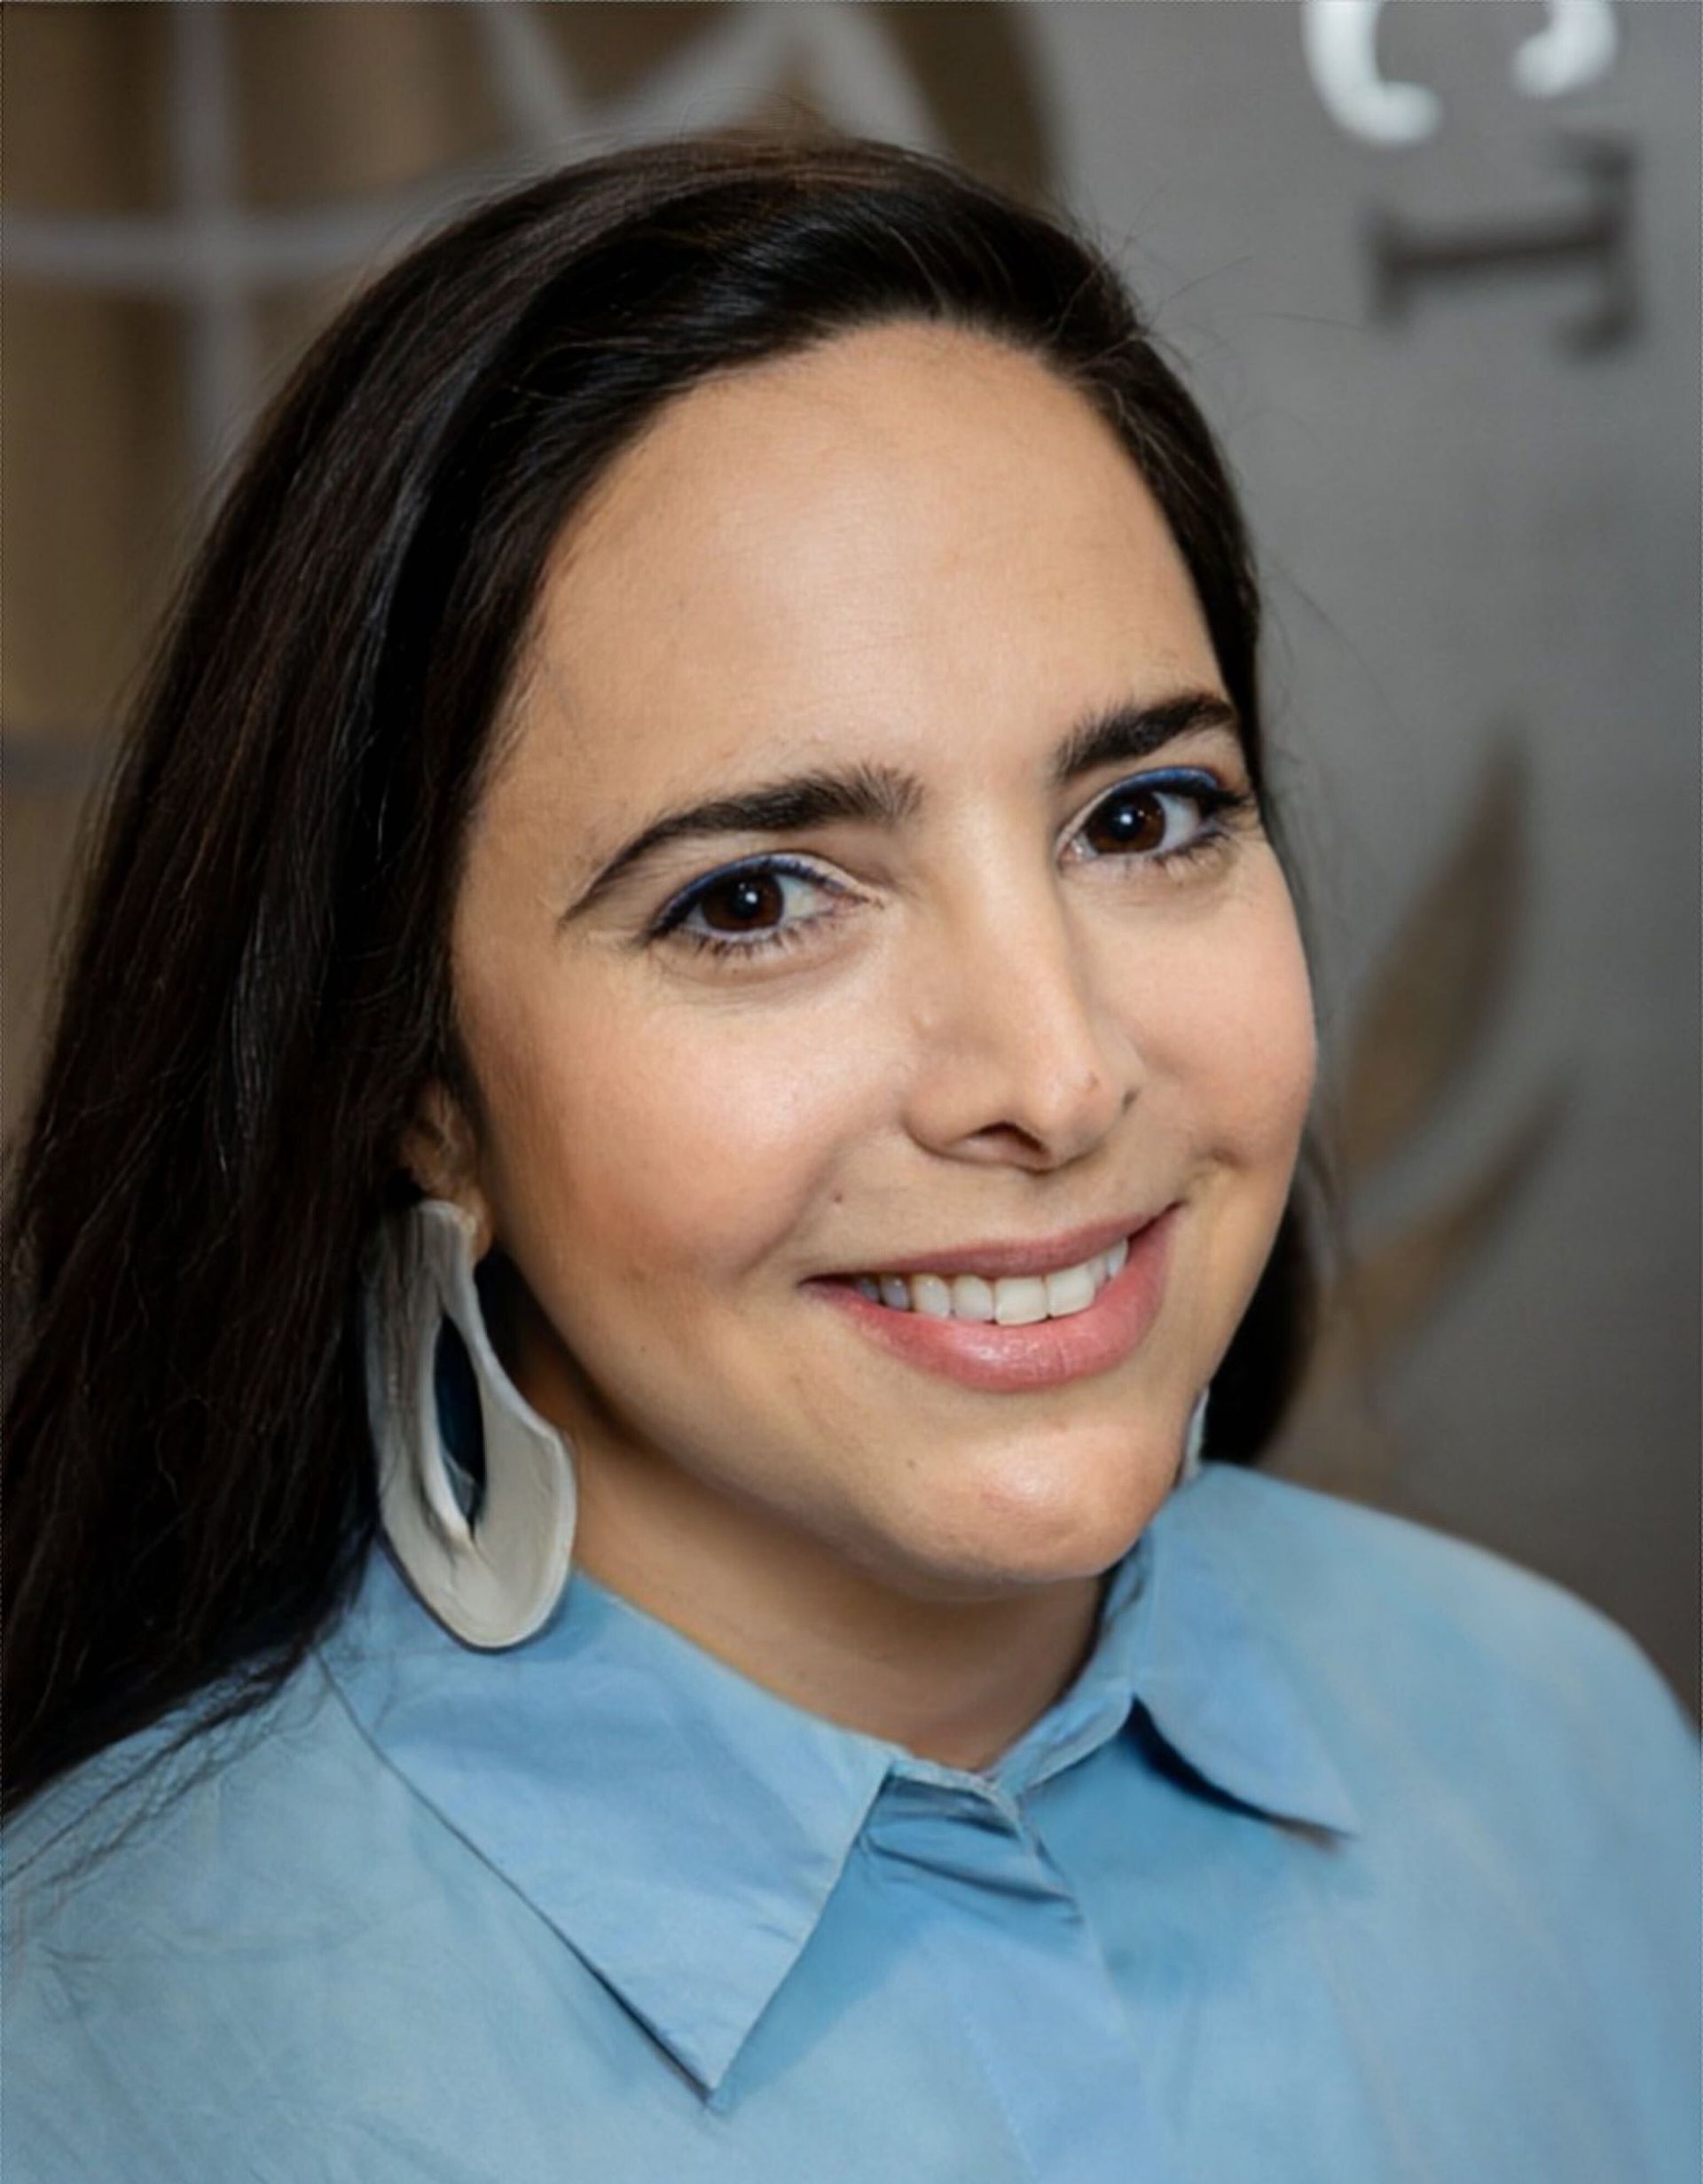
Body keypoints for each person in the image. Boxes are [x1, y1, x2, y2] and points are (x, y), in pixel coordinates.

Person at [2, 131, 1695, 2184]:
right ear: (420, 1089)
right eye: (755, 899)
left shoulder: (1561, 1746)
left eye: (1146, 816)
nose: (1056, 1075)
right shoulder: (94, 2052)